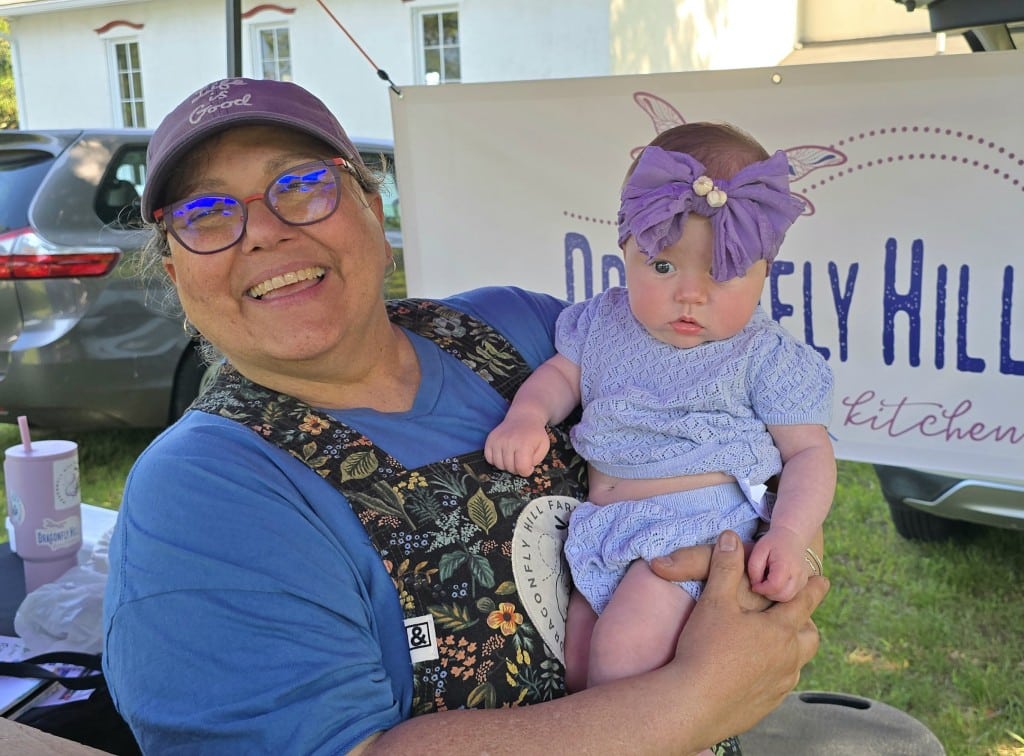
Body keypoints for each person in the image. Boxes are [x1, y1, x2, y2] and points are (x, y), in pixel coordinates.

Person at [102, 78, 828, 755]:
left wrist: (769, 563)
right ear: (177, 272)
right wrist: (690, 700)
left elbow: (772, 452)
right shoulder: (201, 495)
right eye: (204, 214)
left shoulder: (520, 328)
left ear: (371, 204)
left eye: (300, 186)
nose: (259, 232)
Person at [484, 122, 836, 692]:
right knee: (577, 667)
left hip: (697, 531)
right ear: (625, 250)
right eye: (664, 267)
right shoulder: (602, 324)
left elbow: (809, 454)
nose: (690, 295)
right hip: (605, 531)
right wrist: (528, 415)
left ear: (766, 272)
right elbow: (559, 376)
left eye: (722, 274)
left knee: (625, 663)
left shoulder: (762, 355)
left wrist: (791, 536)